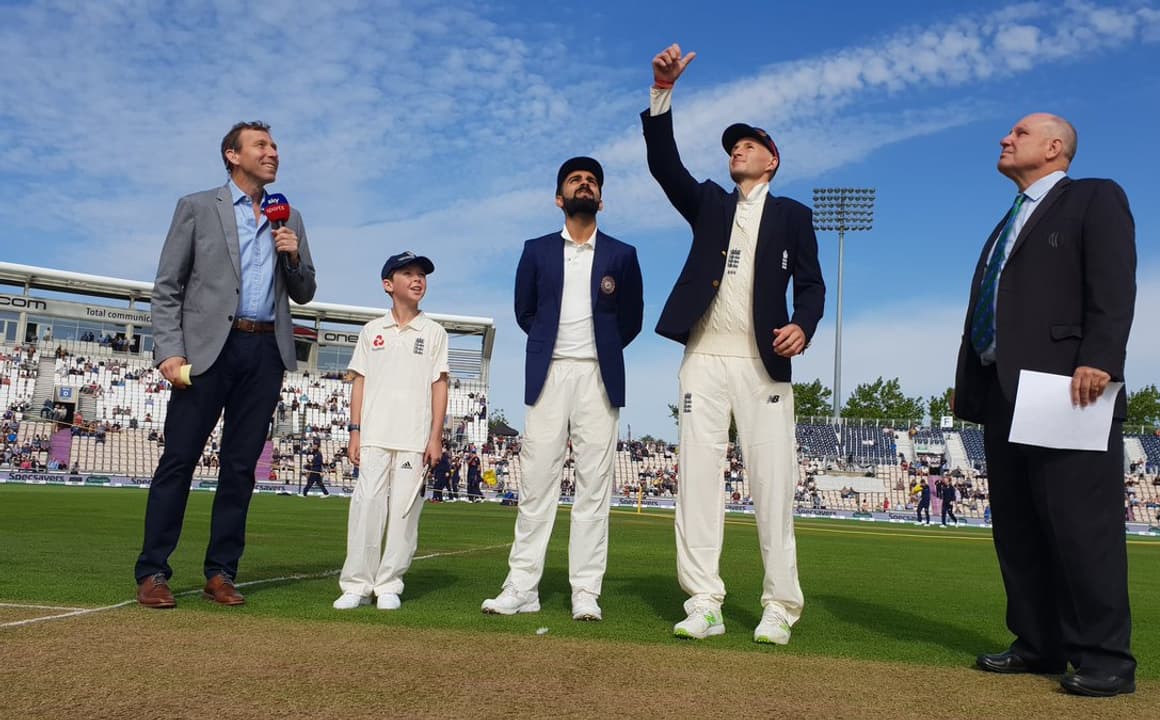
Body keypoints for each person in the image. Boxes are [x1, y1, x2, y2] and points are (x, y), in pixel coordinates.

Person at [641, 45, 825, 645]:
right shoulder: (710, 204)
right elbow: (665, 165)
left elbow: (812, 285)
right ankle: (704, 602)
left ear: (772, 160)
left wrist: (804, 325)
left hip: (762, 364)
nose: (735, 151)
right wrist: (662, 93)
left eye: (747, 145)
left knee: (772, 485)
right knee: (697, 482)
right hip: (703, 358)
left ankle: (780, 606)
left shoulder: (794, 215)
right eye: (731, 147)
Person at [952, 113, 1137, 696]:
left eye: (1020, 133)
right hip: (1004, 392)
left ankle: (1106, 659)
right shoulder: (1006, 222)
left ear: (1055, 147)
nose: (1005, 139)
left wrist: (1100, 357)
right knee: (1018, 529)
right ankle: (1039, 643)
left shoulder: (1093, 198)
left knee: (1081, 528)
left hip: (1069, 387)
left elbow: (1113, 283)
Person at [134, 121, 317, 609]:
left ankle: (221, 573)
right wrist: (169, 350)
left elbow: (304, 291)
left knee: (239, 469)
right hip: (206, 352)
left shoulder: (290, 217)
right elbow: (167, 286)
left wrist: (292, 256)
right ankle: (153, 571)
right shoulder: (196, 207)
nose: (272, 152)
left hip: (265, 353)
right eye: (261, 145)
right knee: (179, 461)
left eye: (274, 145)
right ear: (232, 155)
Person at [482, 157, 643, 622]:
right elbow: (525, 311)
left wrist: (599, 349)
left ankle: (586, 591)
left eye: (592, 181)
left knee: (594, 488)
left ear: (601, 200)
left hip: (599, 376)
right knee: (536, 483)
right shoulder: (536, 250)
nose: (584, 184)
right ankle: (522, 586)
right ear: (559, 198)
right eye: (575, 180)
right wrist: (553, 346)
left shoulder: (622, 254)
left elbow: (631, 319)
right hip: (549, 373)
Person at [333, 251, 449, 611]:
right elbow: (359, 382)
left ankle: (389, 584)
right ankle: (356, 584)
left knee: (403, 512)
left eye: (421, 275)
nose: (418, 280)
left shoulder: (434, 332)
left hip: (414, 438)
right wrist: (355, 431)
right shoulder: (372, 331)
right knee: (366, 507)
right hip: (374, 435)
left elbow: (440, 385)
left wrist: (435, 436)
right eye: (408, 274)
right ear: (388, 284)